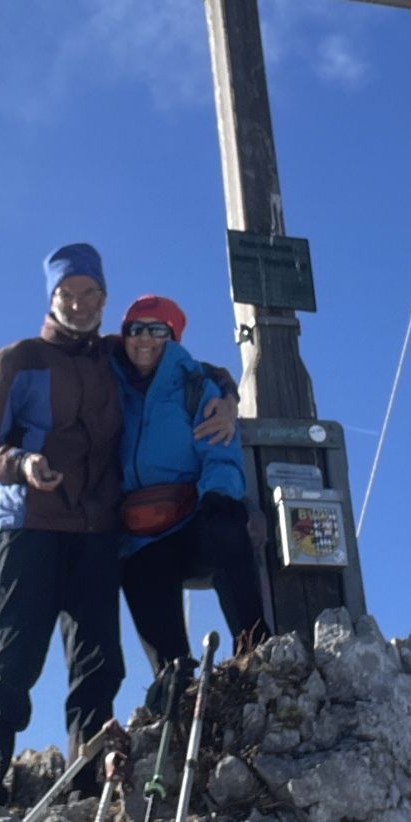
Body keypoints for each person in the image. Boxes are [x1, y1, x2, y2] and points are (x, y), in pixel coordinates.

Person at [0, 245, 235, 803]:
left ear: (104, 298)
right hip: (30, 525)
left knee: (99, 662)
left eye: (90, 293)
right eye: (68, 293)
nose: (79, 303)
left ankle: (85, 780)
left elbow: (194, 369)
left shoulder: (113, 354)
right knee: (17, 654)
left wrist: (227, 396)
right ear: (51, 297)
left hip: (99, 531)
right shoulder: (16, 360)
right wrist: (21, 464)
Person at [111, 294, 268, 686]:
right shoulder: (110, 386)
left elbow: (220, 451)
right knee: (140, 571)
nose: (144, 338)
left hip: (192, 514)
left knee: (227, 529)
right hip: (142, 532)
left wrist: (218, 495)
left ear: (174, 337)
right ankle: (173, 681)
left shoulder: (195, 386)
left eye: (157, 330)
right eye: (135, 328)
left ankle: (256, 651)